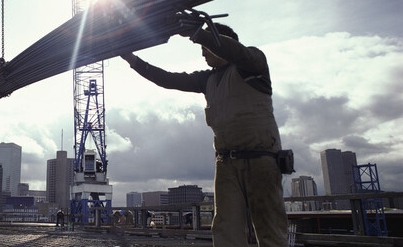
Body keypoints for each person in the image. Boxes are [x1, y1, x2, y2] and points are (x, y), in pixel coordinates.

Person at [121, 23, 288, 246]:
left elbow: (237, 53)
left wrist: (198, 34)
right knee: (226, 229)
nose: (203, 54)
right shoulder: (208, 79)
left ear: (223, 43)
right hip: (226, 163)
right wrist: (131, 59)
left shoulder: (252, 65)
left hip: (261, 159)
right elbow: (168, 79)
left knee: (269, 229)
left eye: (206, 49)